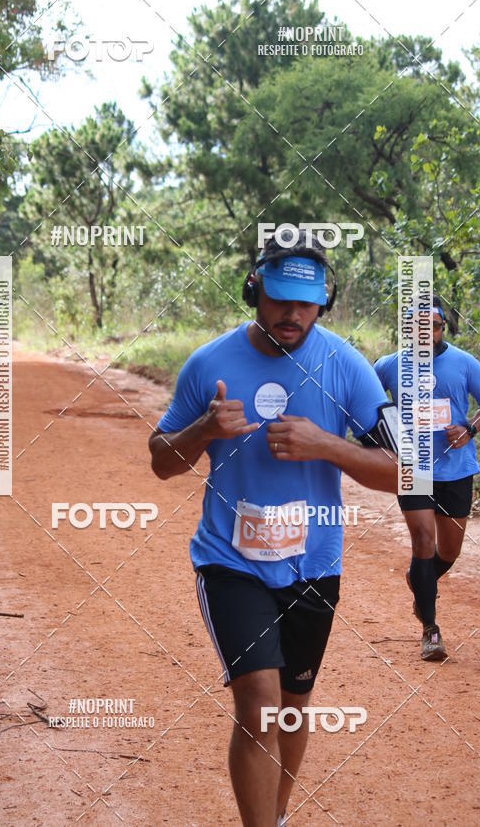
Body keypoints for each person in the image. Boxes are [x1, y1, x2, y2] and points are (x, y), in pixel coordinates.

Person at [148, 230, 399, 827]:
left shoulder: (347, 367)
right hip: (229, 561)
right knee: (259, 706)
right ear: (253, 289)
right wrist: (203, 430)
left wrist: (329, 446)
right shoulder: (208, 363)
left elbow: (404, 474)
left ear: (324, 303)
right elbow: (161, 461)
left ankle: (278, 813)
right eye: (281, 298)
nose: (293, 314)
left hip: (313, 566)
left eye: (306, 303)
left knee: (292, 708)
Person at [374, 296, 480, 661]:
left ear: (442, 328)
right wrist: (383, 433)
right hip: (413, 468)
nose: (425, 334)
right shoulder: (390, 366)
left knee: (448, 552)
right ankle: (431, 630)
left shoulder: (463, 362)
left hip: (456, 469)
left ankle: (420, 581)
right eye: (417, 328)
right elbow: (363, 398)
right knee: (423, 541)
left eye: (433, 326)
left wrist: (469, 430)